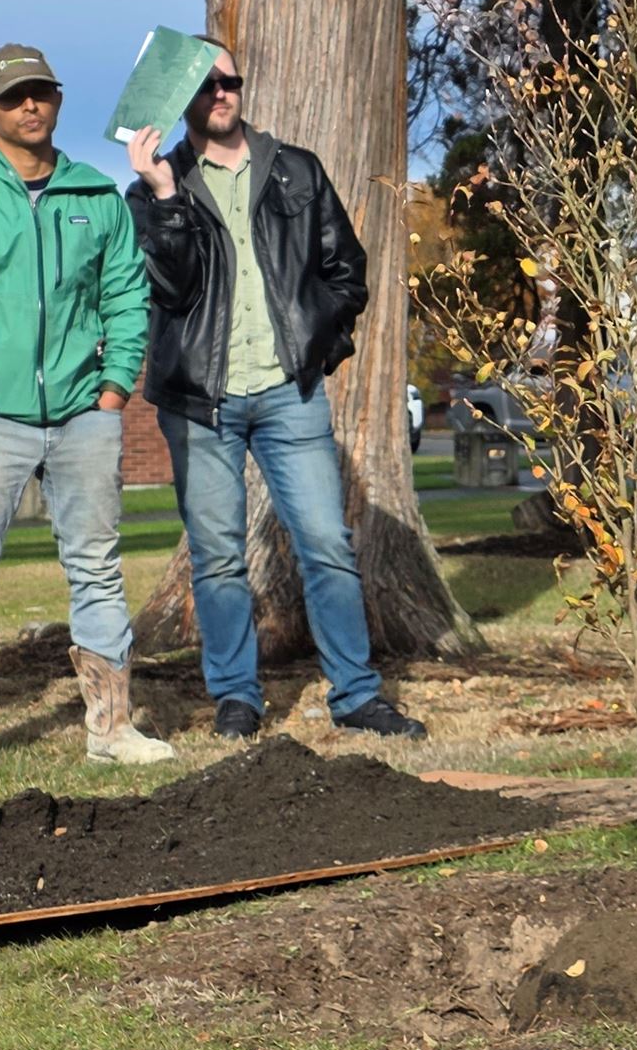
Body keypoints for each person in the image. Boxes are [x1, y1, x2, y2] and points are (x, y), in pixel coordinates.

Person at [125, 48, 425, 741]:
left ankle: (355, 694)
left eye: (230, 80)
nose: (222, 93)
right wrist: (167, 198)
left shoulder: (296, 168)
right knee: (219, 554)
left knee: (325, 542)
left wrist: (316, 346)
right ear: (183, 97)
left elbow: (347, 272)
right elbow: (166, 290)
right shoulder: (150, 192)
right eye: (205, 84)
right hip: (200, 401)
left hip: (289, 394)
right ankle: (235, 696)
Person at [0, 45, 173, 772]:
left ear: (56, 102)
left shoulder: (95, 198)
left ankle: (112, 730)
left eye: (42, 93)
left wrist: (114, 390)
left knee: (98, 569)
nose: (31, 105)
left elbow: (125, 295)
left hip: (85, 415)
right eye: (14, 95)